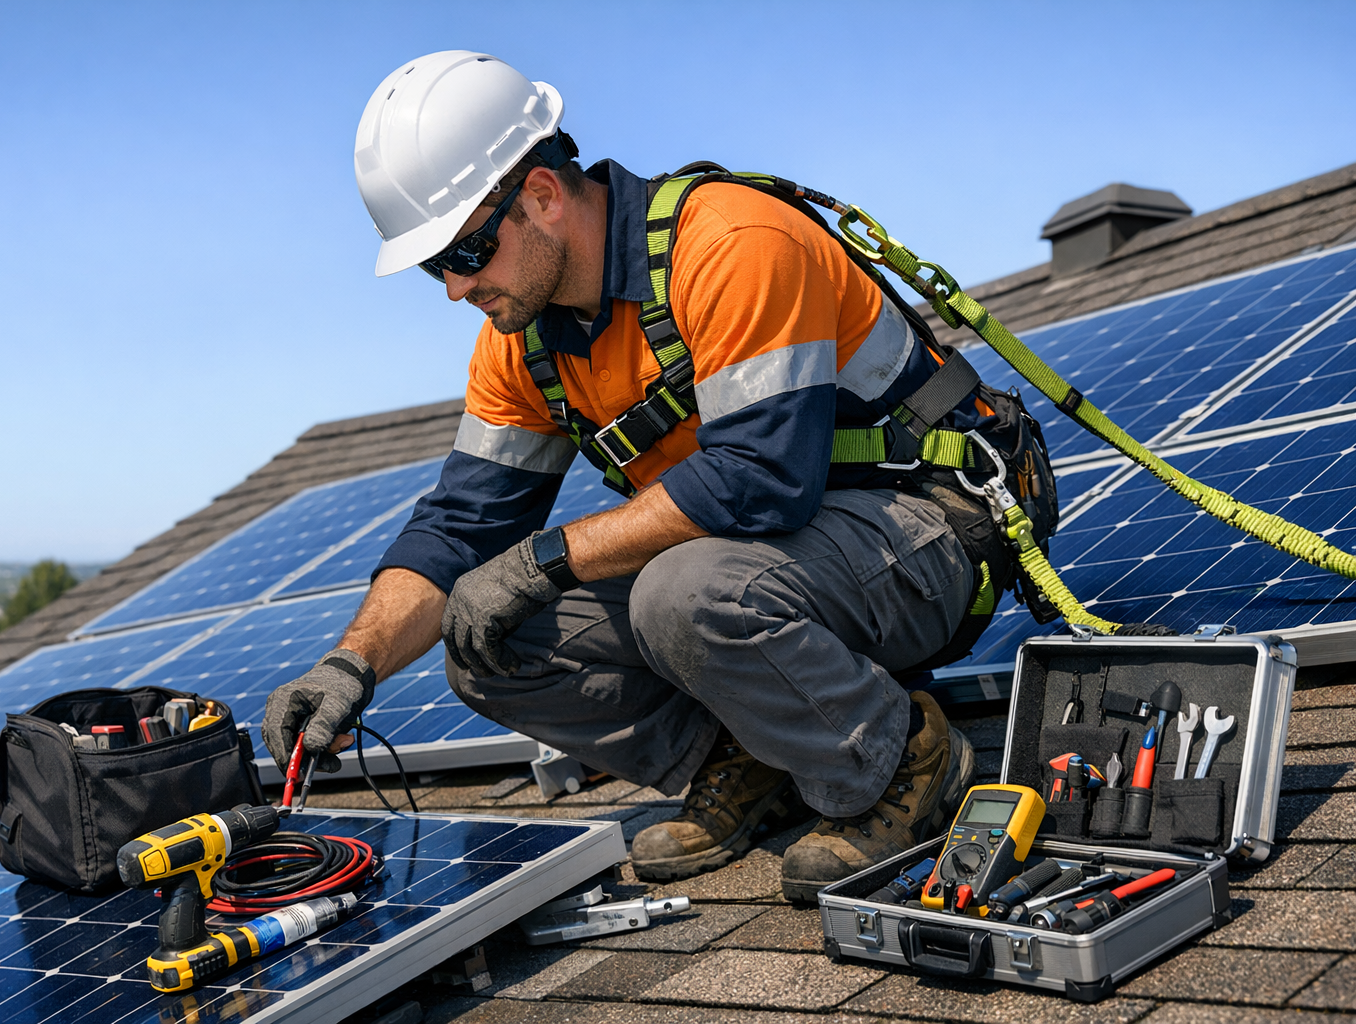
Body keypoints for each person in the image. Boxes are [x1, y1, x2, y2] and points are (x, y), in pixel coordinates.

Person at [264, 51, 1047, 900]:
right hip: (775, 561)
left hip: (929, 533)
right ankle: (754, 756)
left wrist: (541, 559)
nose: (456, 289)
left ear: (541, 195)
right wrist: (350, 664)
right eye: (434, 267)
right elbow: (459, 524)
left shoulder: (730, 243)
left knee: (678, 590)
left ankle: (898, 759)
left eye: (469, 251)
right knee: (483, 637)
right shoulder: (520, 342)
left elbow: (760, 480)